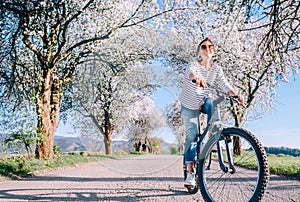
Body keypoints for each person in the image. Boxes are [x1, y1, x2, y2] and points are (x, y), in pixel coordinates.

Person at [179, 37, 244, 187]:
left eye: (210, 47)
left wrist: (235, 94)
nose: (207, 49)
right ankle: (190, 171)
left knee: (213, 103)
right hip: (189, 104)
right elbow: (190, 72)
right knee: (192, 134)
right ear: (199, 51)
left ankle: (212, 137)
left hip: (204, 101)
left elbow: (224, 83)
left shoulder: (217, 69)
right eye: (204, 47)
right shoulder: (193, 65)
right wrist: (196, 79)